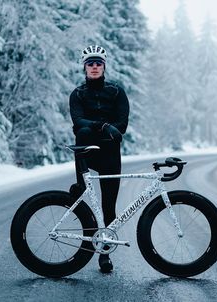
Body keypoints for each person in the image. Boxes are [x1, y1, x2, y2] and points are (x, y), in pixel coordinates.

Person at [69, 45, 130, 273]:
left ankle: (104, 254)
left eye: (98, 63)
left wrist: (106, 128)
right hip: (87, 151)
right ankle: (80, 183)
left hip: (110, 154)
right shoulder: (77, 94)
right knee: (82, 134)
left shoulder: (116, 92)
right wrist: (103, 126)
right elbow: (78, 122)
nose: (94, 67)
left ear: (104, 66)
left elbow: (122, 124)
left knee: (108, 208)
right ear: (84, 67)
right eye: (90, 63)